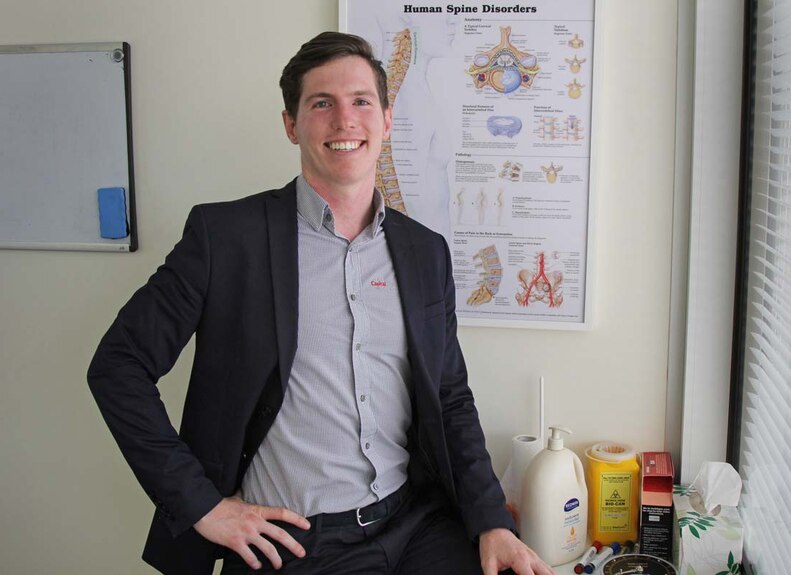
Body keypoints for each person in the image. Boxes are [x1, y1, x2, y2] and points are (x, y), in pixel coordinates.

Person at [88, 32, 553, 575]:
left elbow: (449, 396)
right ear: (291, 124)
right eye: (321, 104)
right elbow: (118, 367)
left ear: (384, 116)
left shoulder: (426, 252)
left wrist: (491, 520)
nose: (344, 120)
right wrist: (203, 507)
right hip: (296, 545)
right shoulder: (225, 239)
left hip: (414, 525)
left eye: (360, 101)